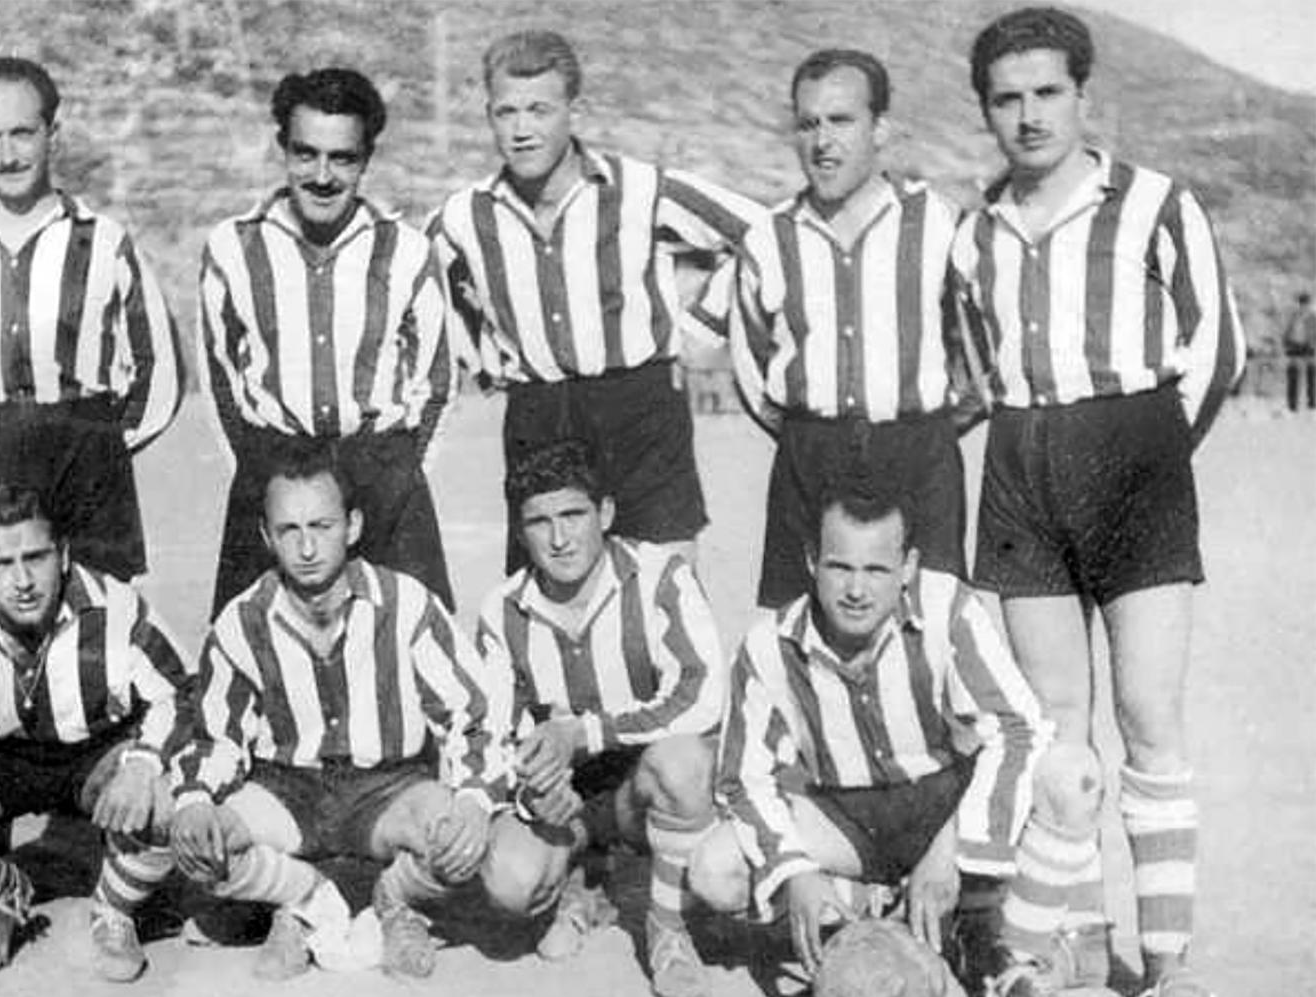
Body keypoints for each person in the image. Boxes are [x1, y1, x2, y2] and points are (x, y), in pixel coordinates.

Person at [948, 7, 1244, 997]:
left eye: (1047, 93)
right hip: (1020, 467)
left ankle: (1165, 965)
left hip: (1136, 459)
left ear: (1083, 95)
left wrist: (1148, 455)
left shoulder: (1156, 204)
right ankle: (1068, 932)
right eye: (1007, 98)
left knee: (1148, 716)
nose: (1028, 115)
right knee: (1052, 725)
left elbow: (1218, 349)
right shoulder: (973, 232)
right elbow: (969, 367)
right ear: (985, 110)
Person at [688, 489, 1102, 997]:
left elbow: (1018, 727)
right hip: (846, 819)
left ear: (907, 567)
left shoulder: (946, 608)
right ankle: (886, 914)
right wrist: (794, 872)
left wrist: (952, 844)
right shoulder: (768, 645)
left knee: (1072, 775)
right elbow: (744, 780)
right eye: (839, 567)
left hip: (943, 803)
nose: (856, 590)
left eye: (876, 569)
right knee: (714, 870)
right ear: (811, 560)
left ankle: (1013, 958)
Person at [167, 442, 521, 981]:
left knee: (464, 839)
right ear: (265, 536)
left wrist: (473, 802)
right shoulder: (242, 622)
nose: (307, 547)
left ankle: (394, 897)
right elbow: (217, 738)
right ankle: (305, 897)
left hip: (388, 790)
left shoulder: (406, 604)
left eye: (322, 526)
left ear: (352, 525)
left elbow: (471, 719)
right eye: (289, 530)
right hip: (287, 792)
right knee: (199, 846)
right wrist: (194, 803)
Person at [431, 30, 762, 570]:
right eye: (506, 112)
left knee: (662, 584)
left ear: (574, 112)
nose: (521, 130)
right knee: (545, 589)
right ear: (489, 115)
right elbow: (418, 285)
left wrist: (701, 328)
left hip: (640, 410)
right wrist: (485, 361)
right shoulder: (464, 216)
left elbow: (765, 236)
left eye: (539, 110)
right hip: (538, 414)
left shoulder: (641, 190)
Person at [0, 484, 192, 983]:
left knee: (168, 795)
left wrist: (143, 764)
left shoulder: (116, 608)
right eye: (0, 564)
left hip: (93, 756)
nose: (22, 581)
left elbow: (184, 693)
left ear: (62, 555)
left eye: (36, 558)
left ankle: (115, 908)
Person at [0, 56, 183, 585]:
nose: (7, 155)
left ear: (53, 135)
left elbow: (159, 365)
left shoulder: (105, 242)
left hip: (87, 455)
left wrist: (104, 442)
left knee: (98, 612)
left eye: (23, 133)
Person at [474, 441, 726, 997]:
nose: (559, 539)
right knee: (509, 881)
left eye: (573, 515)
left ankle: (667, 927)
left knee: (684, 764)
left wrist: (585, 734)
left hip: (642, 788)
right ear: (520, 531)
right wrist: (533, 793)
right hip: (571, 802)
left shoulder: (661, 577)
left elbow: (702, 696)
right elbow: (491, 733)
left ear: (605, 513)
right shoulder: (502, 610)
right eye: (539, 522)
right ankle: (586, 880)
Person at [199, 67, 455, 613]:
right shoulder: (233, 248)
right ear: (283, 149)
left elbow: (435, 384)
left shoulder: (407, 251)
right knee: (258, 638)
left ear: (366, 160)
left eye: (342, 158)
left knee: (405, 637)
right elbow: (222, 380)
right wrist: (262, 470)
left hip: (382, 477)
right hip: (274, 472)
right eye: (305, 153)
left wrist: (395, 473)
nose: (321, 176)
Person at [724, 49, 974, 609]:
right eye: (807, 123)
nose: (822, 141)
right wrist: (812, 431)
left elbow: (976, 351)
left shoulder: (938, 222)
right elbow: (751, 363)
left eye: (841, 121)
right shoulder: (769, 238)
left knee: (930, 621)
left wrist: (927, 424)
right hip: (810, 452)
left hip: (918, 450)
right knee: (799, 624)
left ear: (880, 128)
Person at [1284, 292, 1314, 413]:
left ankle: (1312, 401)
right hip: (1295, 345)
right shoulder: (1293, 316)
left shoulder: (1312, 317)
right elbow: (1287, 331)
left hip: (1308, 346)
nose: (1303, 306)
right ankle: (1292, 403)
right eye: (1301, 304)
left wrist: (1312, 344)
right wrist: (1287, 342)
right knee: (1293, 372)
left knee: (1311, 372)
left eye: (1305, 304)